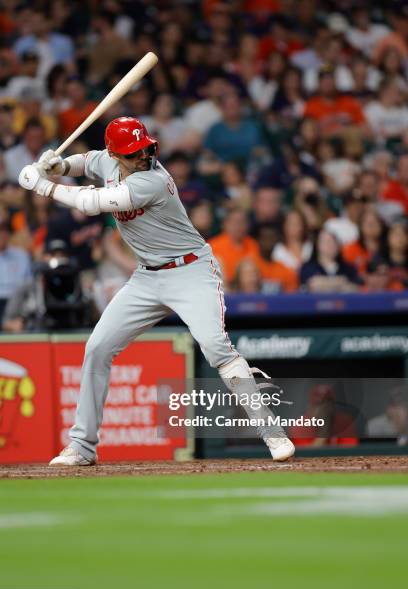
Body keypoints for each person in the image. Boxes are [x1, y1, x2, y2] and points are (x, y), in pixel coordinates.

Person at [18, 116, 295, 465]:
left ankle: (272, 433)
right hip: (147, 277)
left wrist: (45, 186)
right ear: (115, 154)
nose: (142, 156)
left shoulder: (154, 179)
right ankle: (82, 446)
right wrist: (60, 165)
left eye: (145, 149)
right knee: (98, 347)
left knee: (215, 349)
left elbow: (93, 203)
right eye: (133, 153)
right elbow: (86, 161)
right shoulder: (107, 159)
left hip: (191, 270)